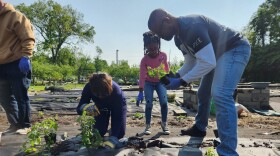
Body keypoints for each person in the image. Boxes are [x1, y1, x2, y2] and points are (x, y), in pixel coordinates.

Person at [148, 9, 251, 155]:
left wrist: (181, 81)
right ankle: (200, 127)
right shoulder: (178, 38)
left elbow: (208, 62)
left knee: (220, 93)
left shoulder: (192, 26)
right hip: (216, 56)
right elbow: (191, 61)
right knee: (203, 92)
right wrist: (176, 75)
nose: (160, 37)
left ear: (167, 20)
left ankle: (228, 151)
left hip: (235, 48)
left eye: (159, 31)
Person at [0, 0, 35, 135]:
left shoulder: (15, 16)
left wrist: (26, 56)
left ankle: (25, 125)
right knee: (4, 97)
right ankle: (14, 125)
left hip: (17, 62)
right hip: (1, 65)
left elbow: (28, 37)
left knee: (20, 95)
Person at [76, 72, 127, 149]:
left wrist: (114, 137)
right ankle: (105, 127)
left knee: (119, 134)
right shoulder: (89, 87)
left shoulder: (117, 92)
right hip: (100, 108)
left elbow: (118, 116)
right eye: (97, 95)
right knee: (99, 133)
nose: (101, 97)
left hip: (117, 105)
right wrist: (84, 108)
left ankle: (113, 131)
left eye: (103, 94)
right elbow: (79, 107)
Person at [136, 31, 170, 135]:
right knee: (149, 103)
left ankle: (164, 124)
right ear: (146, 47)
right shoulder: (144, 60)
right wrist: (140, 91)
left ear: (158, 46)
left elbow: (166, 70)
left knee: (164, 103)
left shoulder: (163, 56)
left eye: (155, 49)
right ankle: (147, 126)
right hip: (148, 83)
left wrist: (169, 80)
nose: (153, 51)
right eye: (150, 49)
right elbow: (142, 75)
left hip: (160, 82)